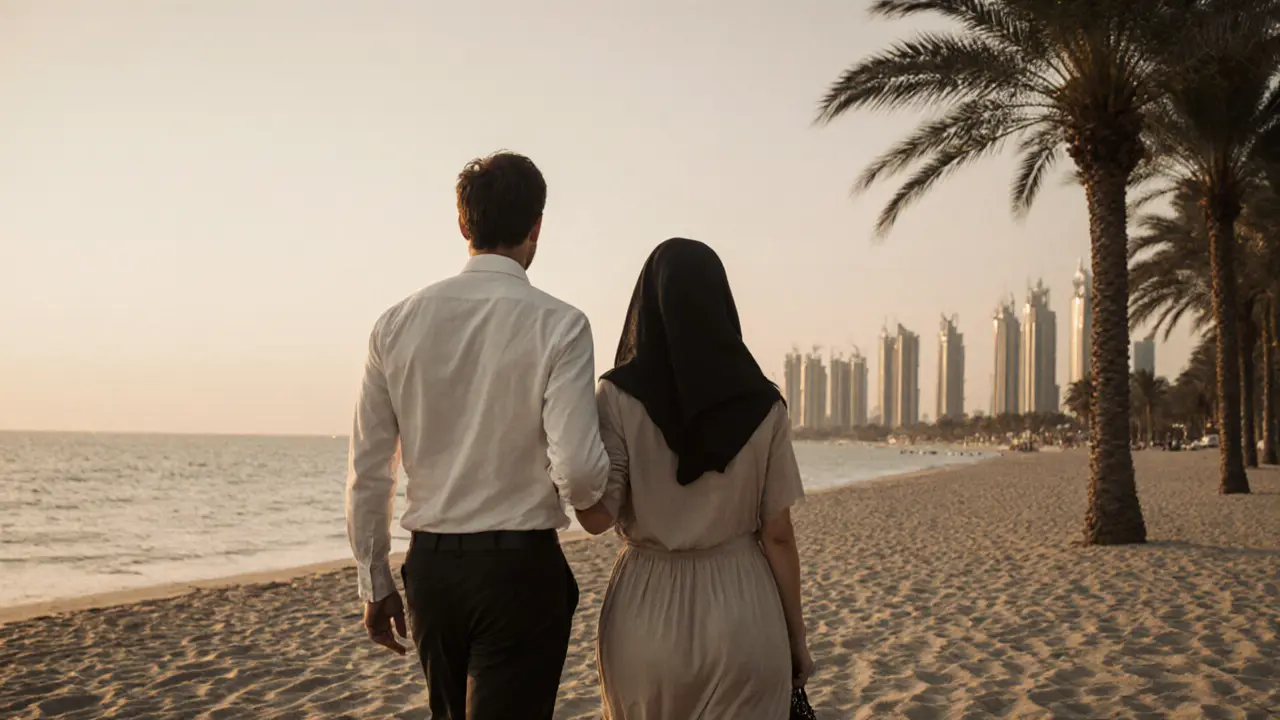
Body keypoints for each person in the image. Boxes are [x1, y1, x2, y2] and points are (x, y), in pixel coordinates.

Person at [344, 151, 609, 720]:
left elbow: (369, 470)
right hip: (520, 569)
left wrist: (375, 578)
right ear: (537, 227)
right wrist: (592, 502)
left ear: (463, 226)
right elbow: (580, 470)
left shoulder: (395, 324)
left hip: (433, 570)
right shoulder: (561, 324)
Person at [576, 238, 813, 719]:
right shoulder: (765, 405)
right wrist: (796, 637)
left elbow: (598, 515)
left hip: (644, 615)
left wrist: (559, 462)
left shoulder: (616, 396)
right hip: (743, 611)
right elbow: (778, 534)